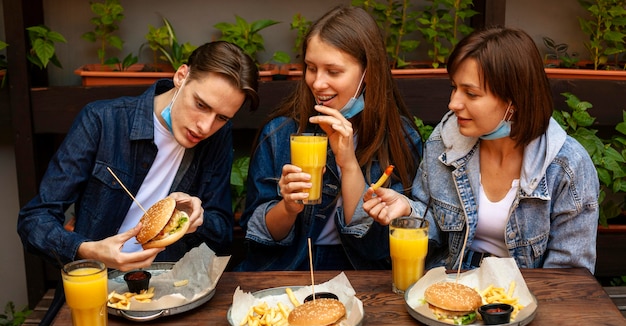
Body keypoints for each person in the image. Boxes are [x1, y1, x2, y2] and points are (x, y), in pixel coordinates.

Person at [364, 26, 599, 273]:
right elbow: (435, 229)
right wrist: (409, 210)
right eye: (454, 87)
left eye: (471, 94)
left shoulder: (568, 167)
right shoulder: (445, 141)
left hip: (523, 297)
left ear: (514, 101)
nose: (453, 103)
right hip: (448, 286)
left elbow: (568, 275)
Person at [17, 41, 260, 272]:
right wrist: (89, 251)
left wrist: (196, 218)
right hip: (99, 283)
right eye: (201, 105)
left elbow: (222, 233)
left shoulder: (217, 137)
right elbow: (34, 220)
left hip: (169, 288)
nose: (205, 127)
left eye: (221, 117)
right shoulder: (102, 121)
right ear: (181, 76)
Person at [235, 5, 422, 271]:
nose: (318, 83)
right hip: (290, 268)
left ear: (367, 73)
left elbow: (376, 248)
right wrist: (288, 207)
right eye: (311, 68)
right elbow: (258, 240)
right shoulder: (280, 134)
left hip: (364, 272)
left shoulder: (400, 138)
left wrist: (347, 163)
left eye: (333, 72)